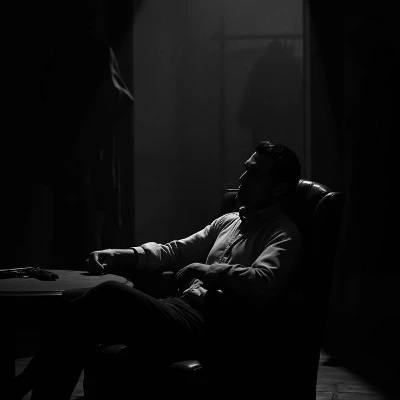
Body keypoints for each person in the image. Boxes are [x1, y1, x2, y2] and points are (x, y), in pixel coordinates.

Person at [10, 140, 303, 400]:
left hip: (210, 325)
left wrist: (209, 270)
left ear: (279, 188)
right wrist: (118, 255)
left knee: (110, 293)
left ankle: (22, 383)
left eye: (254, 174)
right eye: (245, 169)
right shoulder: (228, 221)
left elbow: (264, 282)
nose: (242, 179)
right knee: (71, 300)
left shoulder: (282, 233)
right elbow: (174, 251)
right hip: (178, 308)